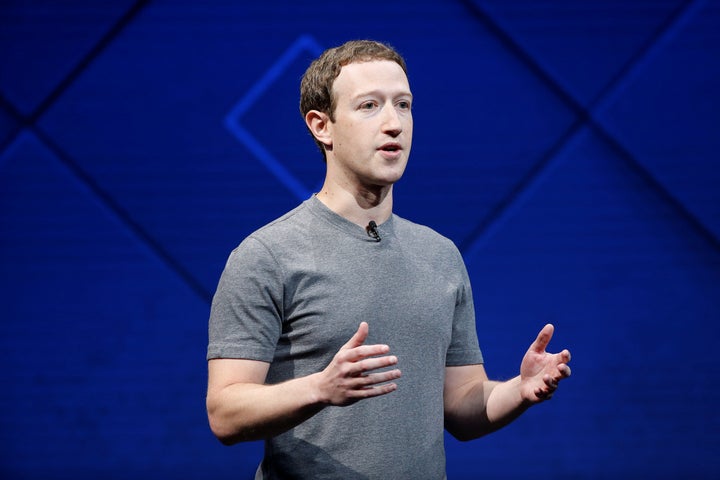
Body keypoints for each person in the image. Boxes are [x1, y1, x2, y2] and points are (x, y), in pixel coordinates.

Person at [206, 39, 572, 479]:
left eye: (403, 104)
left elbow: (461, 405)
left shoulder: (440, 255)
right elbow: (225, 413)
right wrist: (321, 388)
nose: (394, 123)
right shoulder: (268, 255)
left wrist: (520, 390)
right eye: (369, 106)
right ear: (322, 126)